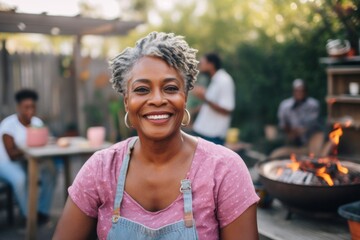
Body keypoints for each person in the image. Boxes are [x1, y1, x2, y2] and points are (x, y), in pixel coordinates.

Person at [54, 32, 259, 240]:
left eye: (170, 88)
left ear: (185, 97)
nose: (158, 99)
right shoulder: (101, 169)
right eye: (142, 89)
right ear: (127, 101)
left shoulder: (224, 170)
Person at [0, 89, 56, 223]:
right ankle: (29, 216)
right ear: (19, 107)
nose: (30, 110)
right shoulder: (8, 125)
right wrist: (29, 147)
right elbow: (12, 155)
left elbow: (44, 142)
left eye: (33, 107)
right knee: (20, 179)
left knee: (51, 172)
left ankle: (42, 211)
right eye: (26, 107)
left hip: (29, 161)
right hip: (6, 163)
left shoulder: (37, 123)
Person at [270, 79, 324, 158]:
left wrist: (298, 131)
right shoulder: (285, 105)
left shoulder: (313, 105)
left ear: (306, 92)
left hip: (310, 144)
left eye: (301, 91)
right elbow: (282, 125)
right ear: (293, 91)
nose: (299, 93)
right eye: (297, 91)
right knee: (276, 155)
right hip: (292, 143)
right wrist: (288, 130)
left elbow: (311, 125)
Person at [192, 53, 235, 145]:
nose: (200, 66)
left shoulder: (224, 80)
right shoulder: (216, 80)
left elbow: (227, 109)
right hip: (204, 132)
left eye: (202, 63)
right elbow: (210, 104)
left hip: (213, 136)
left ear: (211, 65)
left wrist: (204, 98)